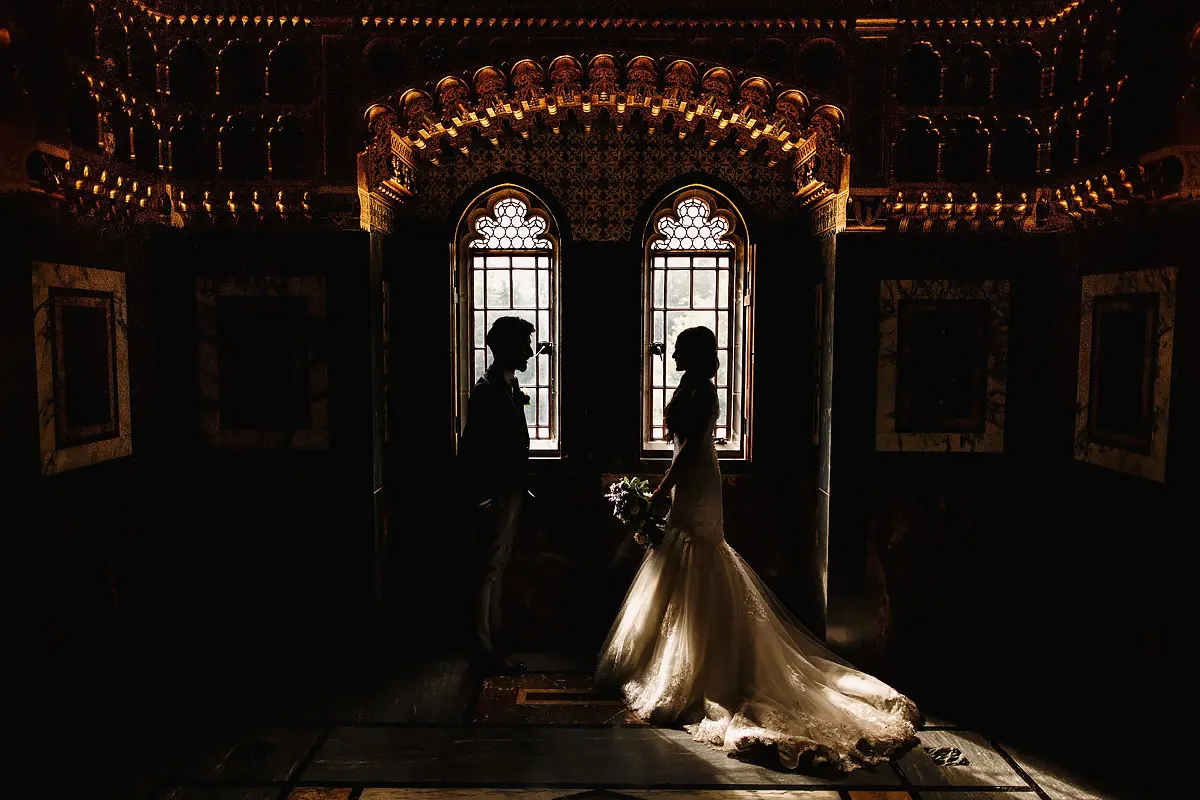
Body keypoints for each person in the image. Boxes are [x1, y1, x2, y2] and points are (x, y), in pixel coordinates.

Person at [595, 325, 921, 773]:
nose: (672, 353)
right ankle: (678, 654)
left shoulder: (704, 393)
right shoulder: (689, 387)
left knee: (698, 553)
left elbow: (688, 451)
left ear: (693, 354)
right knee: (680, 555)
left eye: (679, 348)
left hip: (696, 480)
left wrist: (658, 492)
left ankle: (705, 664)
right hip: (692, 480)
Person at [459, 316, 534, 675]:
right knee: (487, 569)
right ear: (506, 348)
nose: (530, 353)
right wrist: (483, 497)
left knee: (497, 565)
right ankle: (483, 646)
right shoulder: (486, 391)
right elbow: (473, 449)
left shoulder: (507, 385)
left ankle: (493, 638)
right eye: (524, 345)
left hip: (511, 489)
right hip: (496, 494)